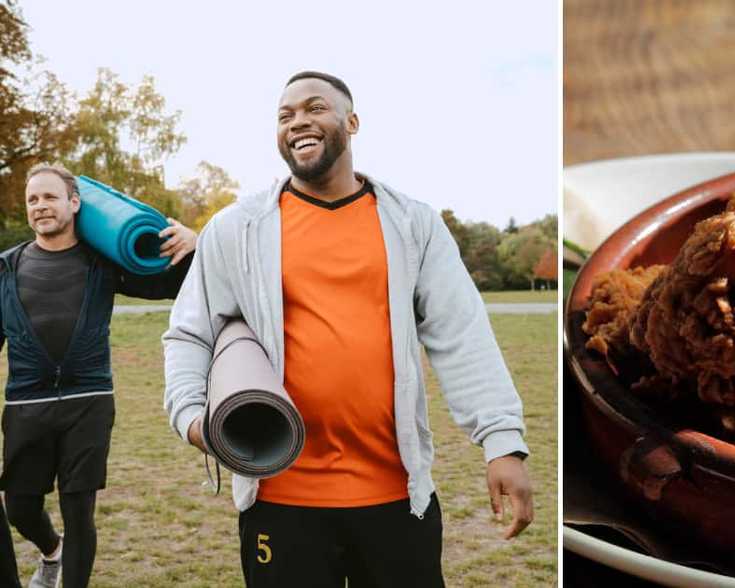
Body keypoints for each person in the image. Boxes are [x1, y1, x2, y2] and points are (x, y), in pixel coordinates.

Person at [162, 71, 534, 587]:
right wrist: (190, 418)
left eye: (315, 108)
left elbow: (461, 334)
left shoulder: (413, 224)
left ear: (352, 122)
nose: (298, 122)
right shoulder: (235, 229)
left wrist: (502, 442)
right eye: (285, 115)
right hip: (281, 499)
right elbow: (190, 334)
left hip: (395, 497)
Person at [0, 163, 197, 588]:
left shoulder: (103, 263)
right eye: (33, 199)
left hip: (88, 401)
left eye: (50, 197)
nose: (40, 206)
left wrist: (192, 244)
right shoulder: (7, 268)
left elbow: (169, 285)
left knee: (79, 511)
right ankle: (52, 551)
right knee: (19, 507)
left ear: (74, 203)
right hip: (25, 403)